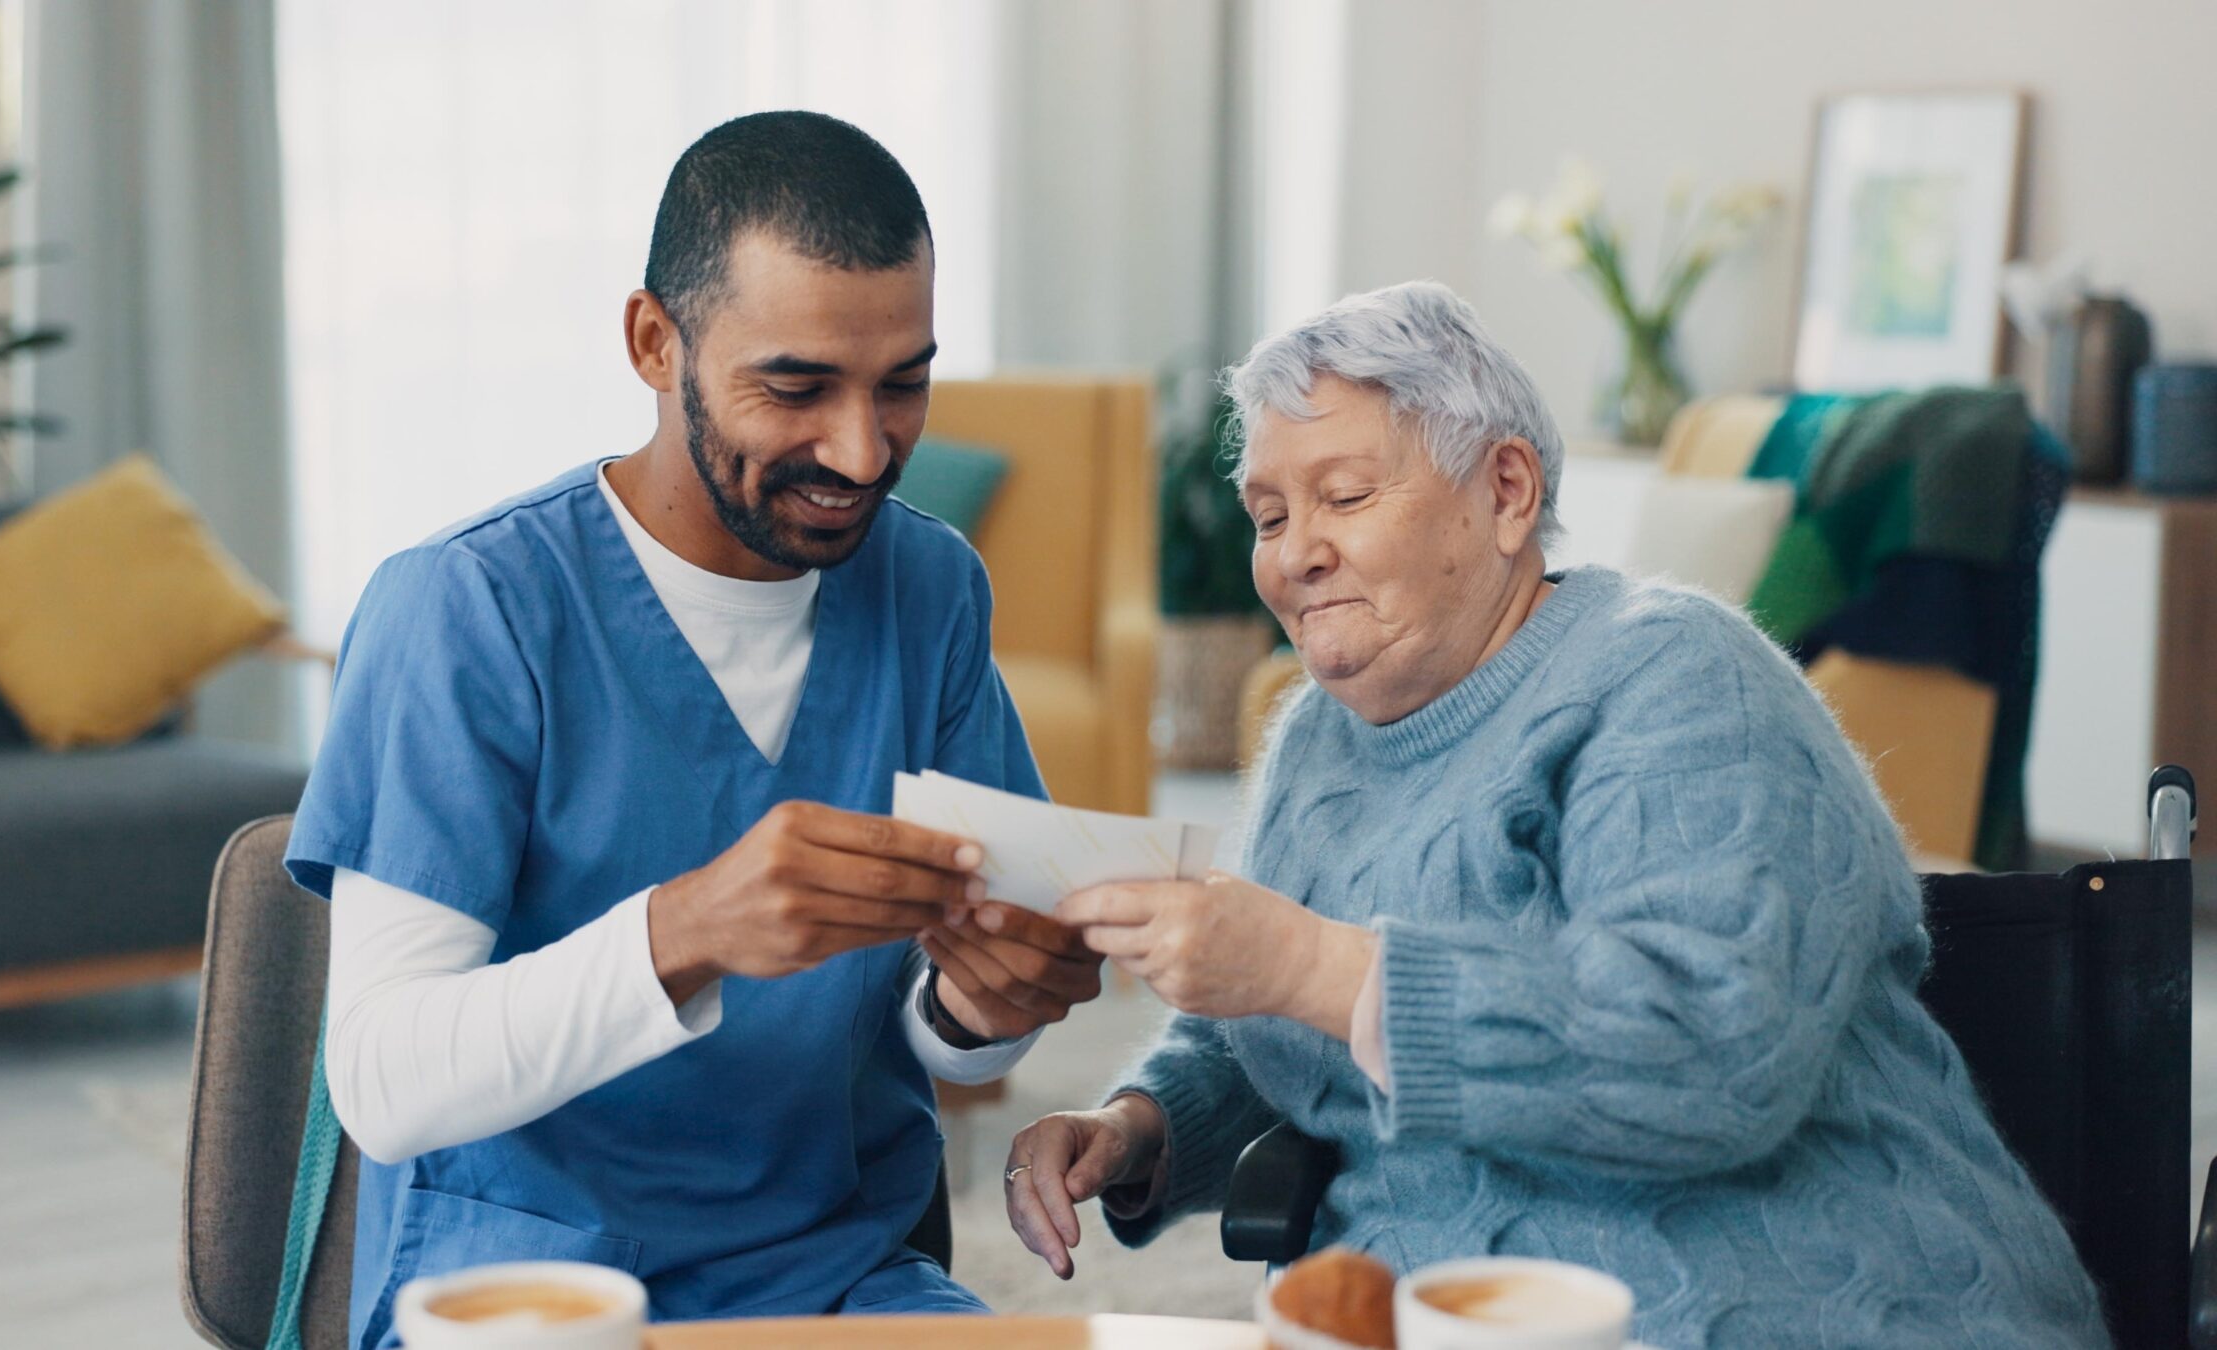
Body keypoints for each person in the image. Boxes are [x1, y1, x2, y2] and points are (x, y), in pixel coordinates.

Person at [1004, 281, 2108, 1347]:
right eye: (1269, 514)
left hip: (1767, 1300)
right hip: (1435, 1310)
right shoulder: (1312, 740)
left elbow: (1713, 1057)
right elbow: (1274, 1025)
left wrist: (1306, 963)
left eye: (1343, 498)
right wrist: (1138, 1126)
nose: (1295, 553)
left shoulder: (1673, 675)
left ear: (1507, 492)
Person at [287, 111, 1102, 1347]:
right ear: (654, 341)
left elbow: (949, 1048)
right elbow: (385, 1083)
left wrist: (985, 1010)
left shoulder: (927, 590)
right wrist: (691, 931)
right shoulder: (468, 609)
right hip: (529, 1290)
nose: (862, 449)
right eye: (796, 387)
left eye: (904, 384)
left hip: (832, 1276)